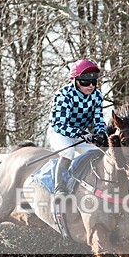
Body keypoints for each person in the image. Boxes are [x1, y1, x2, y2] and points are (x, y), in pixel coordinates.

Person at [48, 59, 109, 195]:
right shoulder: (63, 95)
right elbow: (59, 125)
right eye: (86, 82)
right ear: (75, 80)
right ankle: (59, 188)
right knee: (68, 152)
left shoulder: (97, 96)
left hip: (81, 134)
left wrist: (101, 134)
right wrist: (80, 133)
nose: (91, 86)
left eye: (94, 82)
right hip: (60, 133)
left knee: (99, 152)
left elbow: (98, 119)